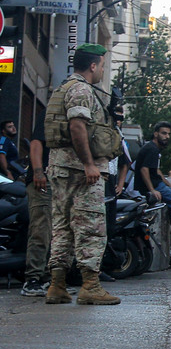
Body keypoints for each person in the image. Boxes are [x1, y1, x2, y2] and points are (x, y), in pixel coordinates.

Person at [42, 43, 121, 306]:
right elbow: (77, 126)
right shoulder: (81, 89)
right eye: (102, 65)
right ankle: (90, 285)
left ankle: (57, 284)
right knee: (91, 227)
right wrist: (89, 164)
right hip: (80, 170)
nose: (101, 71)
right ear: (93, 65)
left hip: (61, 168)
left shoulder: (65, 87)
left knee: (63, 227)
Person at [133, 122, 171, 251]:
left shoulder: (154, 149)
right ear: (156, 134)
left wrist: (170, 186)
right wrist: (152, 190)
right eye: (163, 133)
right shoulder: (152, 149)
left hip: (159, 184)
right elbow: (144, 169)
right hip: (154, 186)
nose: (167, 136)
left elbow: (156, 171)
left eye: (168, 134)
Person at [21, 113, 52, 297]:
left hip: (59, 182)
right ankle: (32, 280)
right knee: (41, 228)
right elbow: (36, 143)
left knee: (56, 232)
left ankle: (47, 278)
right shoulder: (50, 114)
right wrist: (38, 172)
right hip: (42, 181)